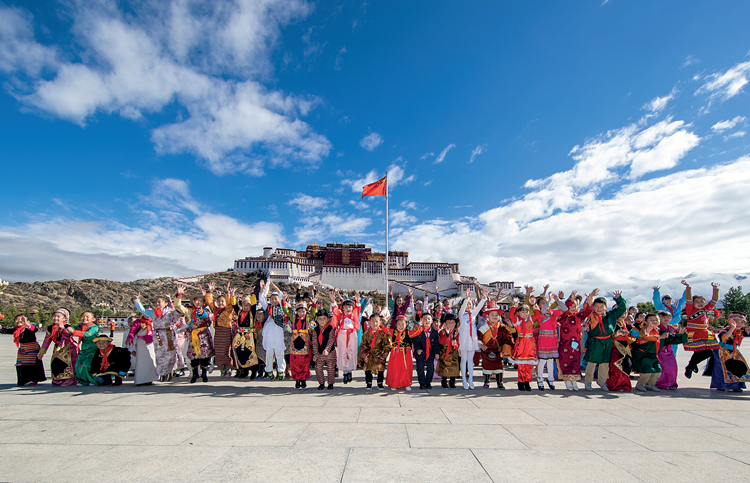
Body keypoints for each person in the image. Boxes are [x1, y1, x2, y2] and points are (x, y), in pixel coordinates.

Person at [583, 289, 626, 392]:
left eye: (601, 306)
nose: (599, 309)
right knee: (591, 363)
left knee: (605, 363)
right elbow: (586, 308)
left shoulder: (612, 315)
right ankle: (588, 381)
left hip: (607, 342)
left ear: (606, 307)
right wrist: (590, 299)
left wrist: (619, 299)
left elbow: (622, 308)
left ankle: (602, 381)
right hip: (594, 342)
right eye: (596, 306)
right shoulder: (591, 315)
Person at [133, 291, 182, 382]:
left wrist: (178, 296)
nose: (157, 304)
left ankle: (170, 371)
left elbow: (179, 313)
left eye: (159, 302)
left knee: (170, 354)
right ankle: (162, 373)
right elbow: (142, 310)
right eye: (156, 302)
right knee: (160, 355)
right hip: (158, 335)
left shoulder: (171, 311)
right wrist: (137, 300)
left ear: (165, 303)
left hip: (168, 334)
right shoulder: (153, 312)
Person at [633, 313, 688, 392]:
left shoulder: (661, 331)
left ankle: (650, 384)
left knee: (658, 370)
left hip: (654, 355)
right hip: (642, 354)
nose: (654, 321)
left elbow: (672, 339)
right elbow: (646, 338)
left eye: (656, 320)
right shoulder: (643, 330)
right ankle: (640, 384)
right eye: (651, 320)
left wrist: (681, 335)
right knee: (647, 370)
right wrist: (660, 337)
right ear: (645, 322)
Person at [683, 282, 721, 379]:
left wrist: (715, 288)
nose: (700, 303)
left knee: (709, 353)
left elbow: (714, 300)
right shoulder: (690, 310)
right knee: (699, 352)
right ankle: (690, 367)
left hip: (705, 333)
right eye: (697, 301)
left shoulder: (706, 309)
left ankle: (692, 365)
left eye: (702, 301)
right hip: (695, 333)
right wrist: (688, 287)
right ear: (693, 303)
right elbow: (688, 299)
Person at [175, 291, 213, 383]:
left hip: (203, 336)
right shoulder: (189, 310)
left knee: (204, 356)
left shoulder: (206, 311)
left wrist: (202, 313)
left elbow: (207, 318)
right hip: (193, 336)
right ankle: (194, 374)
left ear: (203, 303)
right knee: (193, 356)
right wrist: (179, 295)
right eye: (197, 300)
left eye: (201, 301)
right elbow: (178, 306)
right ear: (193, 301)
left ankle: (204, 374)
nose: (198, 302)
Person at [477, 301, 514, 390]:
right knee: (487, 367)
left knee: (499, 367)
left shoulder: (502, 327)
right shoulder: (483, 328)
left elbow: (508, 338)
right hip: (487, 351)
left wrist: (506, 347)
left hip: (498, 351)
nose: (494, 316)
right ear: (487, 316)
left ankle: (500, 382)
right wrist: (481, 346)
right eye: (492, 314)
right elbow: (478, 338)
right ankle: (486, 381)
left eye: (496, 315)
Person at [710, 312, 750, 392]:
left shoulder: (742, 332)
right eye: (736, 322)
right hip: (721, 351)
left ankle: (736, 386)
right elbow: (724, 338)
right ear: (730, 321)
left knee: (740, 366)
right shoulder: (725, 331)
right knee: (722, 369)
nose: (739, 324)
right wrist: (732, 328)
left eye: (742, 322)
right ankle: (721, 385)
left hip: (733, 352)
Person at [205, 283, 237, 378]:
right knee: (218, 352)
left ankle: (228, 368)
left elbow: (229, 303)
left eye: (222, 301)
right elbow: (209, 303)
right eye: (219, 301)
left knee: (226, 351)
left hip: (226, 331)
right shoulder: (216, 310)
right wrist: (210, 292)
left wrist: (227, 293)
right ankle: (222, 368)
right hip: (218, 332)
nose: (220, 303)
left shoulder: (228, 310)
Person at [38, 308, 78, 386]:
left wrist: (59, 348)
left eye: (58, 316)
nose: (55, 318)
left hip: (69, 347)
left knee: (68, 364)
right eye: (54, 316)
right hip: (57, 347)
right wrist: (42, 351)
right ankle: (58, 380)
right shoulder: (50, 328)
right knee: (56, 363)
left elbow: (65, 338)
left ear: (65, 318)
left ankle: (70, 380)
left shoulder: (67, 327)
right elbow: (47, 340)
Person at [531, 293, 563, 390]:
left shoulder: (553, 312)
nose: (545, 304)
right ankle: (540, 379)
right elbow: (544, 309)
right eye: (542, 302)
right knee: (543, 360)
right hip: (544, 338)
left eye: (546, 302)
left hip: (552, 339)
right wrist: (548, 301)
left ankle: (550, 378)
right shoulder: (540, 313)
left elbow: (564, 309)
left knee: (550, 360)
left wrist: (558, 300)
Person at [458, 287, 487, 389]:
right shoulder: (461, 314)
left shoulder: (473, 313)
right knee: (463, 360)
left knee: (471, 360)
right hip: (463, 339)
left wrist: (484, 298)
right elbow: (462, 308)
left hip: (472, 339)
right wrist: (467, 298)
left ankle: (471, 380)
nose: (468, 306)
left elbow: (479, 306)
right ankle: (464, 380)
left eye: (470, 304)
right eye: (467, 304)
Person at [259, 280, 289, 381]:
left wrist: (275, 287)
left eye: (275, 299)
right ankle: (269, 370)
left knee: (279, 353)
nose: (273, 300)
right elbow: (261, 299)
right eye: (272, 299)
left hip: (277, 333)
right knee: (269, 354)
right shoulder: (267, 308)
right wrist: (262, 289)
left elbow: (280, 295)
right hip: (268, 334)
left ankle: (281, 371)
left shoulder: (281, 307)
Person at [557, 292, 587, 390]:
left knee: (575, 361)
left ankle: (574, 381)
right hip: (565, 343)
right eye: (571, 306)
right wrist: (571, 300)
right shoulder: (564, 316)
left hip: (575, 343)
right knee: (565, 361)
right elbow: (565, 310)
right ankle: (567, 380)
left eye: (575, 306)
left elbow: (587, 312)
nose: (573, 308)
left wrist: (589, 301)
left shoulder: (578, 316)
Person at [331, 291, 361, 384]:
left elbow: (358, 308)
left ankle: (350, 371)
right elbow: (335, 310)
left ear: (352, 307)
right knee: (342, 352)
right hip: (342, 335)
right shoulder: (340, 316)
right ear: (342, 307)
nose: (348, 308)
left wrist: (358, 301)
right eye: (346, 307)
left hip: (352, 335)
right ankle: (344, 372)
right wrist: (333, 301)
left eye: (350, 307)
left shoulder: (354, 315)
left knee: (351, 352)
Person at [509, 293, 538, 392]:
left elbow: (538, 314)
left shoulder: (531, 319)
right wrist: (515, 305)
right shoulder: (517, 320)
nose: (525, 314)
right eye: (522, 312)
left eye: (526, 312)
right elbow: (511, 315)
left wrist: (533, 304)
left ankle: (527, 381)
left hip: (529, 343)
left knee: (529, 365)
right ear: (519, 313)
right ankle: (521, 381)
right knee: (521, 365)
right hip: (521, 343)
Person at [655, 310, 689, 390]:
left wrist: (681, 335)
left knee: (672, 367)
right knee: (663, 367)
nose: (666, 318)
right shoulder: (656, 328)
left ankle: (671, 383)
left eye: (668, 316)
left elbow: (675, 339)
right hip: (659, 350)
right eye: (663, 316)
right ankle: (660, 384)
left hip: (669, 350)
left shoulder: (672, 327)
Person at [287, 300, 317, 389]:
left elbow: (314, 312)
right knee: (295, 362)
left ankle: (303, 379)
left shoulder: (308, 318)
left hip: (305, 342)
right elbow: (286, 311)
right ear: (297, 311)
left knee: (305, 362)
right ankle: (297, 380)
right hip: (295, 342)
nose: (301, 313)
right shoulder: (293, 317)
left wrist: (314, 304)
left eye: (303, 311)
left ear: (306, 311)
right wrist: (284, 301)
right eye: (299, 311)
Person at [384, 315, 419, 391]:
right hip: (395, 353)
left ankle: (407, 383)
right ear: (396, 324)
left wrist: (420, 325)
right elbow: (385, 330)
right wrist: (385, 322)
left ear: (406, 324)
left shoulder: (408, 332)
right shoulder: (393, 331)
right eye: (399, 324)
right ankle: (394, 384)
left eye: (403, 324)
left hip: (406, 353)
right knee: (395, 368)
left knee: (406, 368)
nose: (401, 326)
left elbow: (417, 332)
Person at [358, 313, 390, 390]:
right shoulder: (366, 333)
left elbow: (387, 345)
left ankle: (380, 382)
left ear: (380, 322)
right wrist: (364, 354)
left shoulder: (382, 333)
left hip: (379, 354)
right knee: (367, 369)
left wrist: (384, 355)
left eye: (376, 321)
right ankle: (369, 382)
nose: (375, 323)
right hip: (369, 354)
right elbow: (362, 345)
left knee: (380, 369)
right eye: (373, 321)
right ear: (369, 322)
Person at [232, 295, 260, 379]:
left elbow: (254, 305)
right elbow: (234, 306)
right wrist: (233, 296)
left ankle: (253, 371)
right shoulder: (239, 312)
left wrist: (253, 294)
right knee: (240, 353)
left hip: (250, 336)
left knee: (251, 353)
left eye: (248, 304)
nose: (246, 306)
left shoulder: (252, 313)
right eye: (244, 304)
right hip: (240, 335)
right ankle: (244, 370)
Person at [13, 315, 46, 386]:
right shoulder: (16, 330)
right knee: (20, 364)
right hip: (22, 349)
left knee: (30, 365)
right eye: (17, 319)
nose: (19, 321)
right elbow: (4, 331)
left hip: (32, 349)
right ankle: (22, 380)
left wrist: (27, 324)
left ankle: (34, 379)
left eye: (22, 319)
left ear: (27, 321)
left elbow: (34, 329)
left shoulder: (29, 328)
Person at [126, 313, 157, 386]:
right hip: (141, 343)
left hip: (151, 343)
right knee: (141, 362)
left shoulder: (155, 321)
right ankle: (140, 380)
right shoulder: (137, 322)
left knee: (151, 360)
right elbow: (132, 331)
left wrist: (149, 338)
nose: (147, 315)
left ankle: (149, 379)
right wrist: (129, 338)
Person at [69, 311, 100, 386]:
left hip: (93, 350)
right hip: (83, 350)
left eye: (87, 316)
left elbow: (87, 334)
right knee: (78, 365)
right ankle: (82, 381)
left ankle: (92, 380)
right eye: (83, 316)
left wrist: (73, 331)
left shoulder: (94, 327)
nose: (84, 318)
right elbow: (70, 330)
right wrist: (65, 327)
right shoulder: (80, 326)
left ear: (93, 319)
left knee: (87, 365)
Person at [412, 313, 440, 389]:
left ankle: (428, 382)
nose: (427, 320)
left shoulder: (434, 332)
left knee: (430, 367)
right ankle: (422, 383)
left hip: (430, 352)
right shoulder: (418, 331)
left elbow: (437, 344)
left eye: (428, 319)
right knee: (420, 368)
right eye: (424, 319)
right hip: (421, 352)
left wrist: (437, 353)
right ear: (421, 320)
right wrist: (417, 349)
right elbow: (415, 342)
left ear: (431, 321)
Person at [312, 309, 336, 390]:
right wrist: (315, 353)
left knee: (330, 368)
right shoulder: (315, 330)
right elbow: (314, 342)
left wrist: (327, 350)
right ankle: (321, 383)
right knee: (318, 367)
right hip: (319, 353)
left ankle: (330, 383)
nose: (322, 321)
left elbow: (331, 340)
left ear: (327, 319)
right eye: (320, 319)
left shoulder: (331, 328)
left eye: (324, 318)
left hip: (330, 352)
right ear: (317, 320)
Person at [437, 314, 460, 388]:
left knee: (454, 368)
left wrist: (455, 345)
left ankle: (452, 381)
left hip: (453, 352)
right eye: (449, 322)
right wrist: (447, 334)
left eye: (453, 322)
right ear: (445, 323)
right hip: (444, 351)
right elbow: (441, 342)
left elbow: (458, 343)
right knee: (444, 368)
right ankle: (444, 381)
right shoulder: (442, 332)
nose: (451, 324)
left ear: (455, 323)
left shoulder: (456, 333)